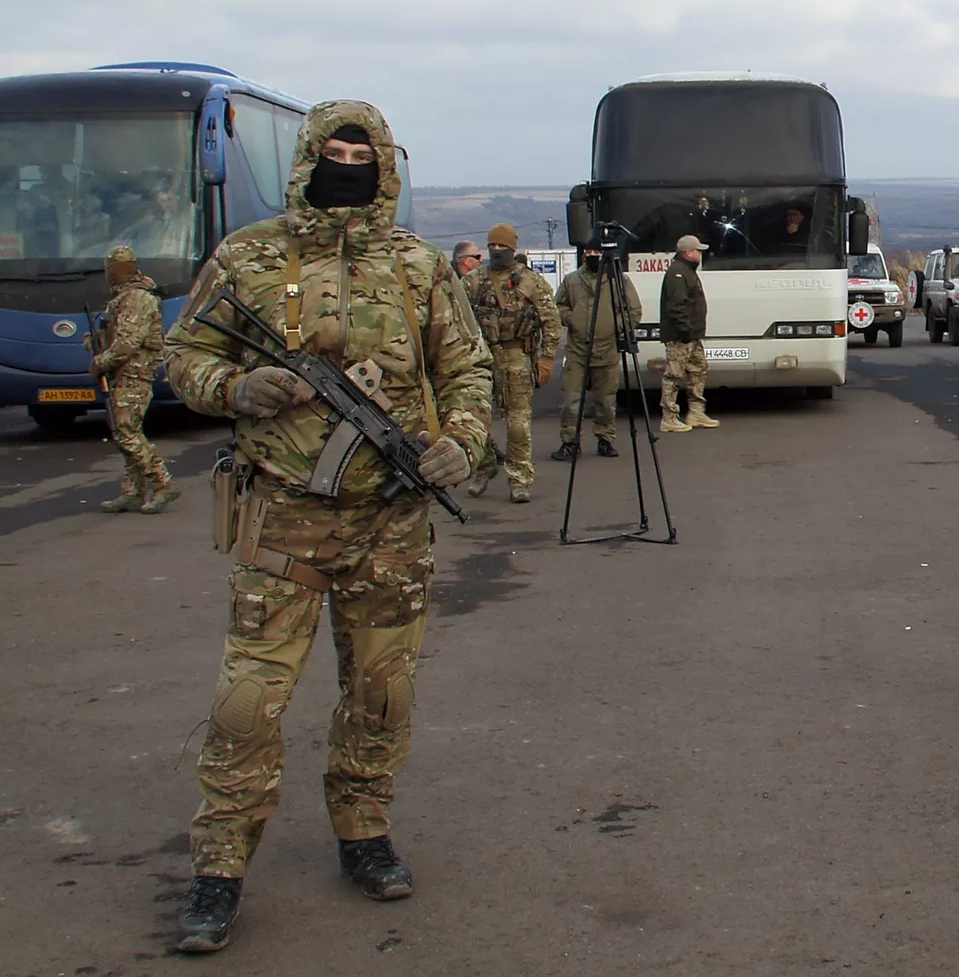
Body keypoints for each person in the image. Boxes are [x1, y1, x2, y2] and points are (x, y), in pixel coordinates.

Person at [161, 102, 491, 953]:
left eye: (362, 153)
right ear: (308, 158)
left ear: (385, 166)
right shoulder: (250, 257)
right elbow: (183, 354)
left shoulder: (418, 264)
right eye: (334, 151)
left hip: (392, 524)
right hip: (282, 520)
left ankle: (364, 829)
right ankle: (218, 867)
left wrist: (460, 442)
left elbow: (466, 370)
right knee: (246, 703)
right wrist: (237, 391)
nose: (347, 164)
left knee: (382, 694)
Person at [464, 224, 561, 501]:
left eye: (501, 247)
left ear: (512, 248)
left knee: (517, 424)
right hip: (481, 358)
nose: (496, 251)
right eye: (492, 246)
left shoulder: (531, 282)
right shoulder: (473, 281)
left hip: (517, 356)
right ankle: (485, 465)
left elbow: (551, 321)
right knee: (474, 419)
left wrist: (547, 356)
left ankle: (519, 478)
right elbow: (455, 316)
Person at [89, 245, 177, 513]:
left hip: (134, 373)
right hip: (123, 373)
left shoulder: (138, 298)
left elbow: (128, 343)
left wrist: (100, 362)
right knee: (124, 431)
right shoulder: (123, 298)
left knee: (127, 432)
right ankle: (133, 490)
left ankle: (162, 483)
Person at [552, 246, 642, 460]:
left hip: (607, 349)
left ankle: (605, 439)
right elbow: (557, 305)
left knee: (605, 401)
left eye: (598, 252)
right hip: (577, 350)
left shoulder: (619, 281)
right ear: (584, 255)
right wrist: (572, 319)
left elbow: (634, 311)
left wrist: (614, 325)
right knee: (571, 400)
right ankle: (569, 441)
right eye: (590, 252)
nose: (593, 257)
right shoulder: (571, 280)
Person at [658, 234, 716, 432]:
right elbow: (676, 306)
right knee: (674, 375)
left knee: (699, 369)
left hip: (692, 335)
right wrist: (685, 330)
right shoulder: (677, 273)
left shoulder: (687, 271)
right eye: (698, 250)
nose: (701, 254)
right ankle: (669, 417)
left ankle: (696, 412)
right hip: (681, 336)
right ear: (688, 252)